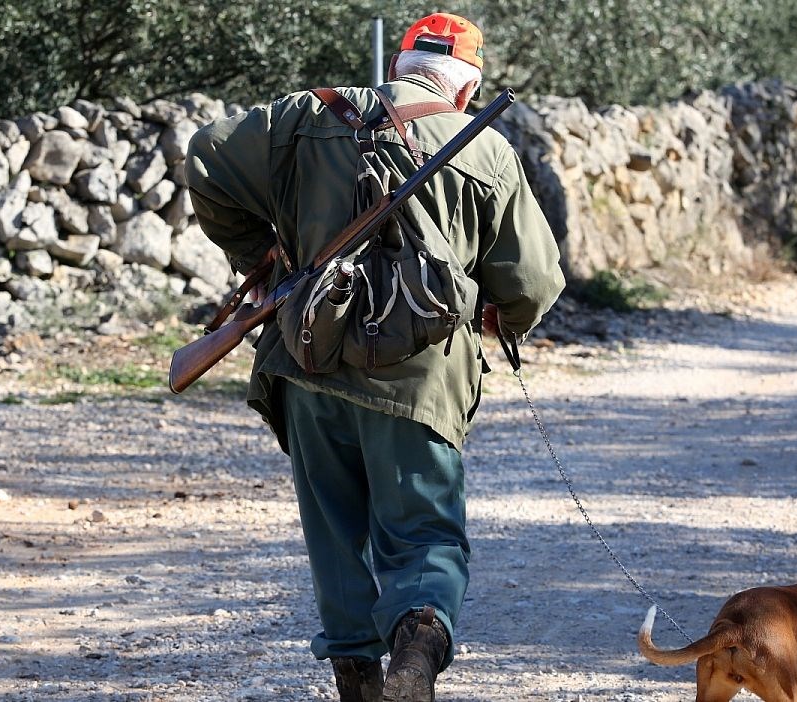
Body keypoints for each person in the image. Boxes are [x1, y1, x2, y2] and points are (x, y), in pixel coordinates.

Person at [186, 12, 564, 702]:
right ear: (466, 89)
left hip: (308, 360)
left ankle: (357, 681)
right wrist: (500, 320)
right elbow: (533, 283)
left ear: (398, 65)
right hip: (420, 377)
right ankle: (417, 646)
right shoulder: (485, 150)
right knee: (424, 534)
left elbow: (205, 158)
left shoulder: (304, 115)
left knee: (333, 531)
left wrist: (264, 263)